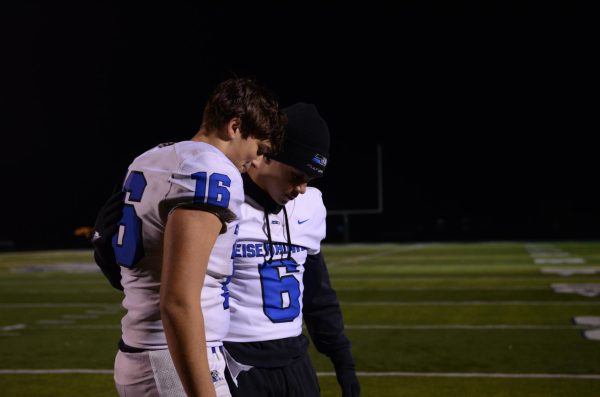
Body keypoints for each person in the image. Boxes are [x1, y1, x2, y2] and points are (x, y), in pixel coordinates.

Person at [96, 77, 285, 397]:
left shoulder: (150, 158)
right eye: (258, 148)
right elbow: (179, 300)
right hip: (171, 358)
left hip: (141, 351)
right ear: (235, 126)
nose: (254, 161)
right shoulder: (212, 170)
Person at [223, 102, 360, 397]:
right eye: (297, 175)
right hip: (234, 360)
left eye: (309, 180)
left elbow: (318, 294)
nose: (301, 188)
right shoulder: (222, 204)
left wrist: (342, 360)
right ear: (264, 156)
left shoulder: (309, 205)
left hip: (295, 360)